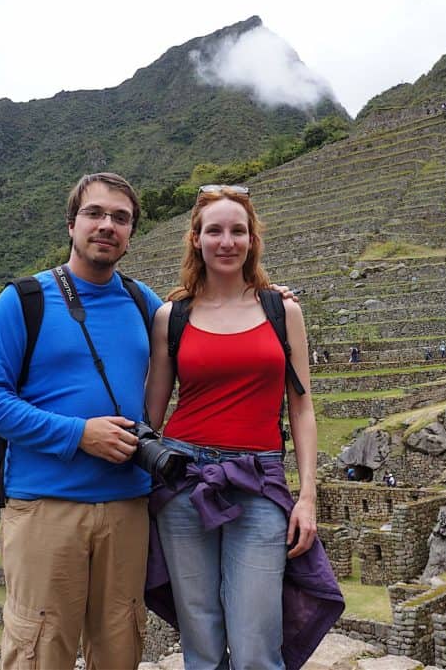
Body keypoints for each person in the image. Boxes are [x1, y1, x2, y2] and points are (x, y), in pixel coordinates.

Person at [0, 173, 164, 669]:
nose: (107, 225)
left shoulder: (144, 303)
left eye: (120, 218)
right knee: (40, 648)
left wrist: (270, 297)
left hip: (126, 509)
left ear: (132, 232)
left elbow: (210, 325)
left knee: (121, 645)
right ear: (71, 225)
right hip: (45, 509)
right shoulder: (25, 300)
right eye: (95, 214)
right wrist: (80, 435)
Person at [144, 185, 342, 670]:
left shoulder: (282, 311)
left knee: (257, 643)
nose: (226, 241)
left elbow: (302, 408)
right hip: (185, 481)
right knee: (202, 639)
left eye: (238, 231)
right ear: (196, 239)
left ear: (253, 240)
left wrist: (308, 496)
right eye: (215, 231)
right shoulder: (173, 317)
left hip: (259, 480)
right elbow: (151, 414)